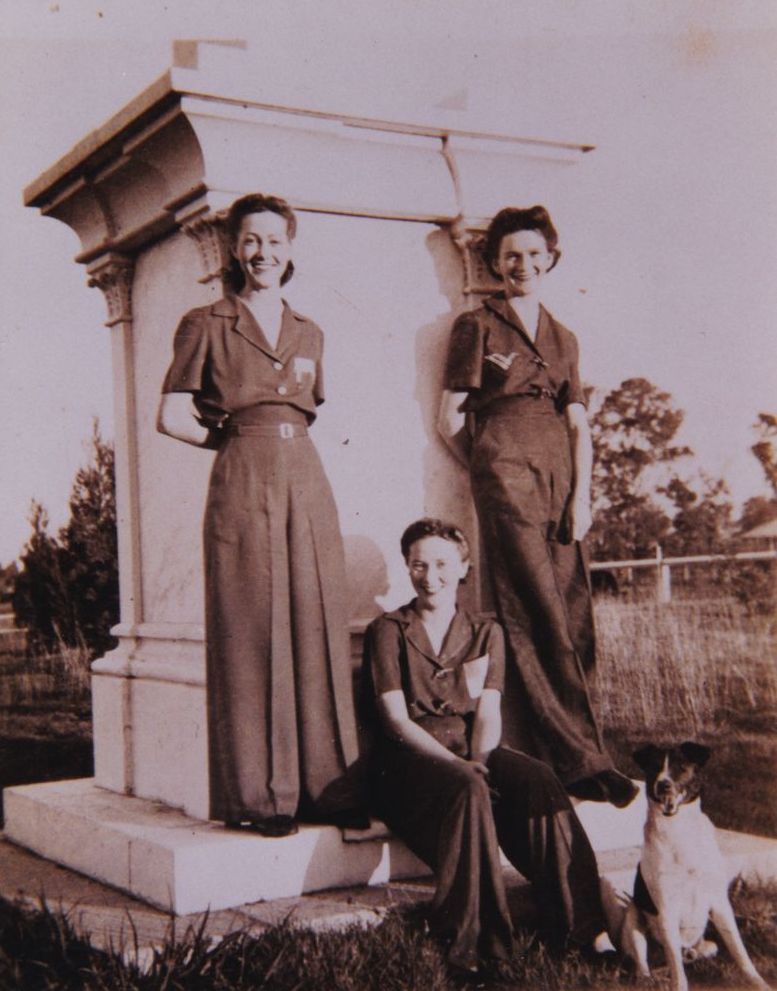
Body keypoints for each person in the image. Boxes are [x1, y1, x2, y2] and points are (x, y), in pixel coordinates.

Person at [157, 192, 363, 836]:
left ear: (290, 248)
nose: (263, 253)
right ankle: (262, 798)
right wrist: (232, 442)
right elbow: (168, 417)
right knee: (251, 628)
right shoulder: (206, 322)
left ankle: (328, 789)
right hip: (243, 479)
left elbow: (307, 408)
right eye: (250, 241)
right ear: (233, 249)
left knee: (315, 622)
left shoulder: (310, 330)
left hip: (306, 475)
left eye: (274, 242)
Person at [438, 205, 636, 807]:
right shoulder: (477, 325)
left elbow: (580, 426)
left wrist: (584, 497)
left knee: (573, 618)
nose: (521, 265)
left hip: (560, 478)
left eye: (532, 254)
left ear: (551, 259)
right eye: (510, 256)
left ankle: (569, 753)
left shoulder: (563, 336)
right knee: (535, 613)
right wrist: (492, 465)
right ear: (493, 265)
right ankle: (582, 762)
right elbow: (450, 418)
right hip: (507, 478)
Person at [363, 518, 617, 973]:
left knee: (537, 777)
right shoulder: (388, 631)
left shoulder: (486, 633)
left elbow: (488, 712)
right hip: (410, 763)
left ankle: (581, 928)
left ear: (464, 568)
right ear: (407, 568)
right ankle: (477, 947)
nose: (429, 575)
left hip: (470, 750)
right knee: (468, 786)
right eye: (418, 564)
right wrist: (462, 767)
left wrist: (480, 759)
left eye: (441, 563)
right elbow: (396, 720)